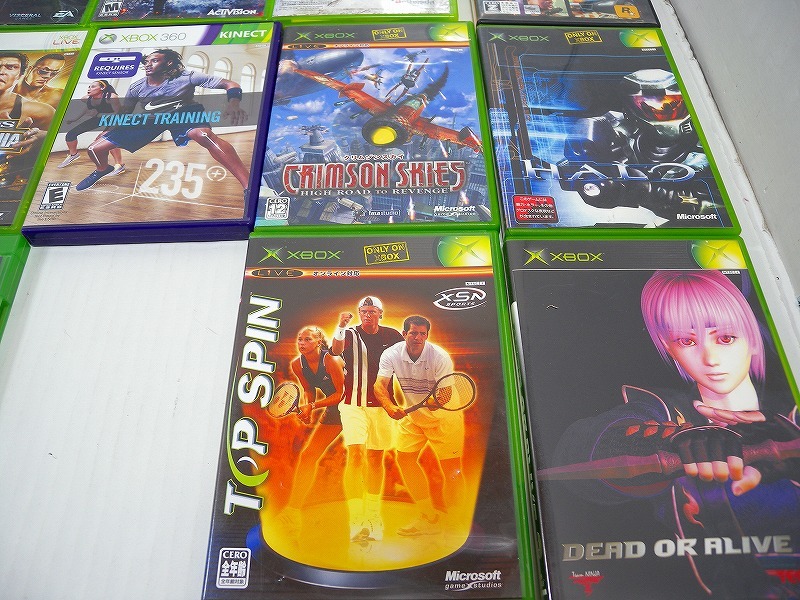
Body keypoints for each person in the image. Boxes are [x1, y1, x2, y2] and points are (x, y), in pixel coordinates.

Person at [553, 270, 800, 597]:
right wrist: (675, 440)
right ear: (669, 348)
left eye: (725, 338)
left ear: (753, 339)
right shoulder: (662, 410)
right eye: (687, 341)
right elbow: (580, 453)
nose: (710, 359)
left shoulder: (791, 411)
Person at [75, 48, 250, 192]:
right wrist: (107, 130)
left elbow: (231, 84)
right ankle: (102, 169)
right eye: (146, 62)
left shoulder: (187, 76)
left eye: (154, 61)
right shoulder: (137, 87)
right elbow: (125, 112)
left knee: (203, 135)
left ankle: (248, 186)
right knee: (94, 149)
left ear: (169, 63)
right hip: (153, 118)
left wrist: (233, 103)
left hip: (183, 114)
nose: (148, 64)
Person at [374, 315, 465, 537]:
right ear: (404, 334)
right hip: (413, 415)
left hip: (444, 418)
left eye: (422, 334)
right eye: (413, 333)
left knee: (451, 469)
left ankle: (456, 524)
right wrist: (389, 406)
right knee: (404, 459)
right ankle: (428, 517)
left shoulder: (440, 357)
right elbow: (379, 385)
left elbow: (445, 395)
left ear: (427, 335)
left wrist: (434, 402)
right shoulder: (391, 354)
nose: (417, 337)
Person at [330, 296, 402, 542]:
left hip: (381, 406)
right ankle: (356, 520)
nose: (367, 315)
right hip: (352, 405)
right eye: (363, 311)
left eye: (372, 311)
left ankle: (372, 516)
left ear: (380, 313)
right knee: (356, 454)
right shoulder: (350, 334)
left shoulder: (393, 336)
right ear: (359, 313)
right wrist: (341, 325)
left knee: (375, 458)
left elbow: (404, 364)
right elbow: (335, 350)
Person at [276, 326, 345, 537]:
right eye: (300, 339)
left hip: (356, 405)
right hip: (334, 410)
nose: (302, 343)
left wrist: (312, 407)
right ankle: (293, 511)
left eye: (307, 339)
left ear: (318, 342)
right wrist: (308, 408)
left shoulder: (331, 360)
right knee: (308, 456)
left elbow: (341, 394)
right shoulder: (297, 365)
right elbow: (308, 389)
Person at [57, 80, 124, 175]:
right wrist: (75, 119)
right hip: (99, 118)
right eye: (89, 87)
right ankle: (73, 154)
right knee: (71, 134)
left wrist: (104, 118)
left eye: (93, 86)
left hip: (115, 119)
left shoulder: (111, 97)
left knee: (108, 140)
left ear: (102, 88)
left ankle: (119, 165)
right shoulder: (86, 98)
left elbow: (119, 113)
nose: (89, 89)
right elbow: (86, 108)